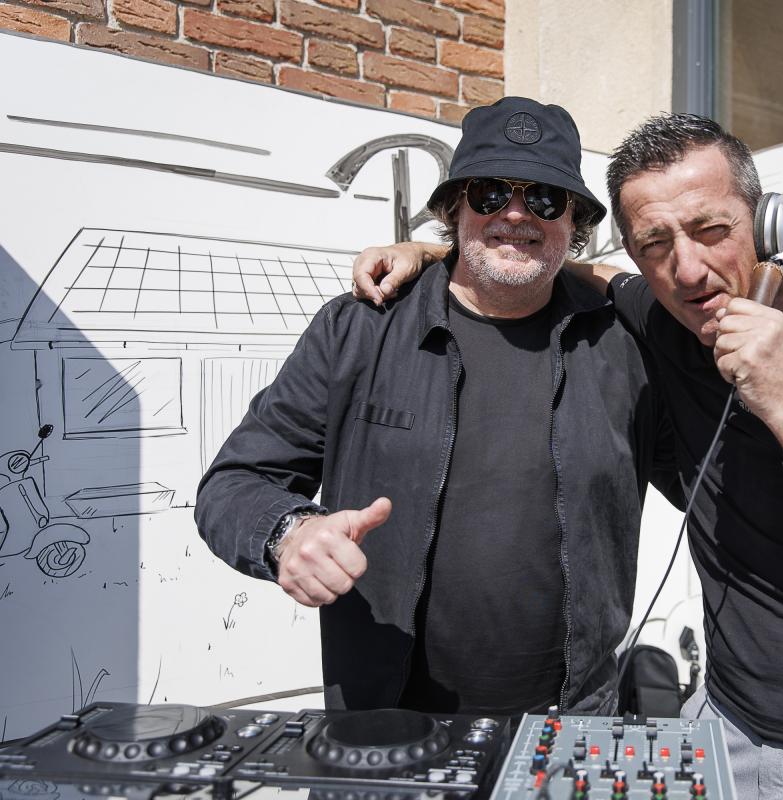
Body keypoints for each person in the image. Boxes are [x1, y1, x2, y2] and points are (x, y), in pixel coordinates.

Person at [352, 113, 783, 800]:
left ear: (769, 226)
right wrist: (438, 252)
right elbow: (579, 271)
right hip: (720, 716)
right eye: (656, 244)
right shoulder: (668, 312)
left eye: (711, 230)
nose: (689, 268)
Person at [195, 97, 677, 719]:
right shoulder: (360, 331)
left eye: (544, 199)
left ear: (574, 221)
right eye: (490, 193)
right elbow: (235, 483)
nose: (515, 213)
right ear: (454, 209)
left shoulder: (624, 346)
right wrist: (291, 533)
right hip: (385, 726)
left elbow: (714, 485)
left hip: (570, 723)